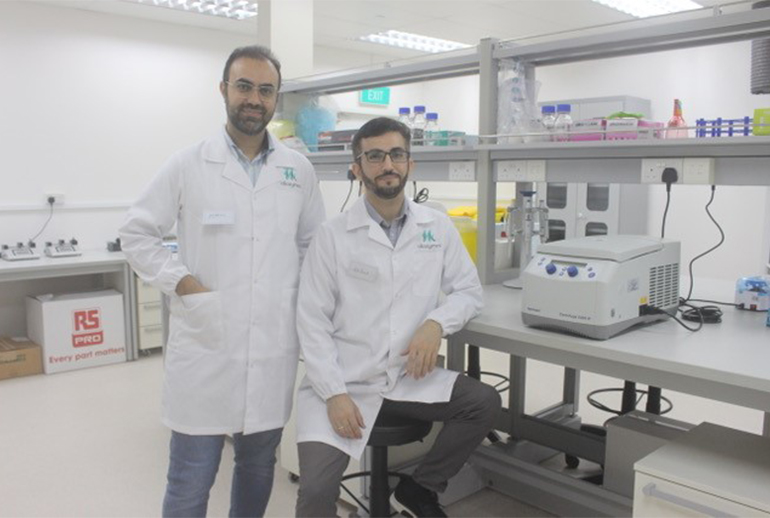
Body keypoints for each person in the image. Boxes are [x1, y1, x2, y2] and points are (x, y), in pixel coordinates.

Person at [119, 45, 325, 517]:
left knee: (257, 472)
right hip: (206, 348)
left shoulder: (298, 171)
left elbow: (313, 246)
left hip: (272, 345)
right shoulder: (189, 163)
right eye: (245, 86)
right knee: (191, 480)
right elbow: (137, 233)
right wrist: (182, 282)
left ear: (277, 98)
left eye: (266, 90)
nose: (255, 98)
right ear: (224, 90)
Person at [294, 117, 501, 517]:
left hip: (408, 379)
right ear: (357, 168)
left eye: (396, 154)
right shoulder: (332, 235)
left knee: (483, 403)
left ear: (410, 164)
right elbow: (311, 321)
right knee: (317, 492)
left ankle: (421, 489)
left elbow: (469, 291)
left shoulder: (436, 228)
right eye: (374, 156)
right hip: (343, 381)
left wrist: (435, 323)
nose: (387, 164)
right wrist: (335, 395)